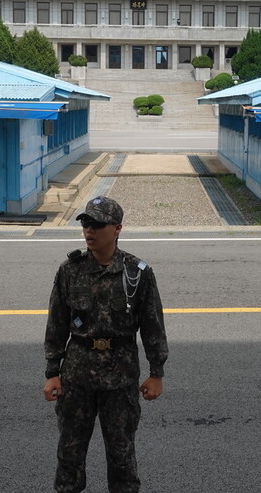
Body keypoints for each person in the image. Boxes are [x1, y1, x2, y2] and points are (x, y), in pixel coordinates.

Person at [43, 196, 168, 493]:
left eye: (97, 224)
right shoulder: (69, 270)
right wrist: (52, 371)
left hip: (120, 377)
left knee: (122, 456)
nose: (89, 230)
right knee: (70, 456)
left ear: (117, 229)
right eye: (86, 223)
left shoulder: (136, 273)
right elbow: (57, 323)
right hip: (77, 376)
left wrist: (156, 372)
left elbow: (152, 324)